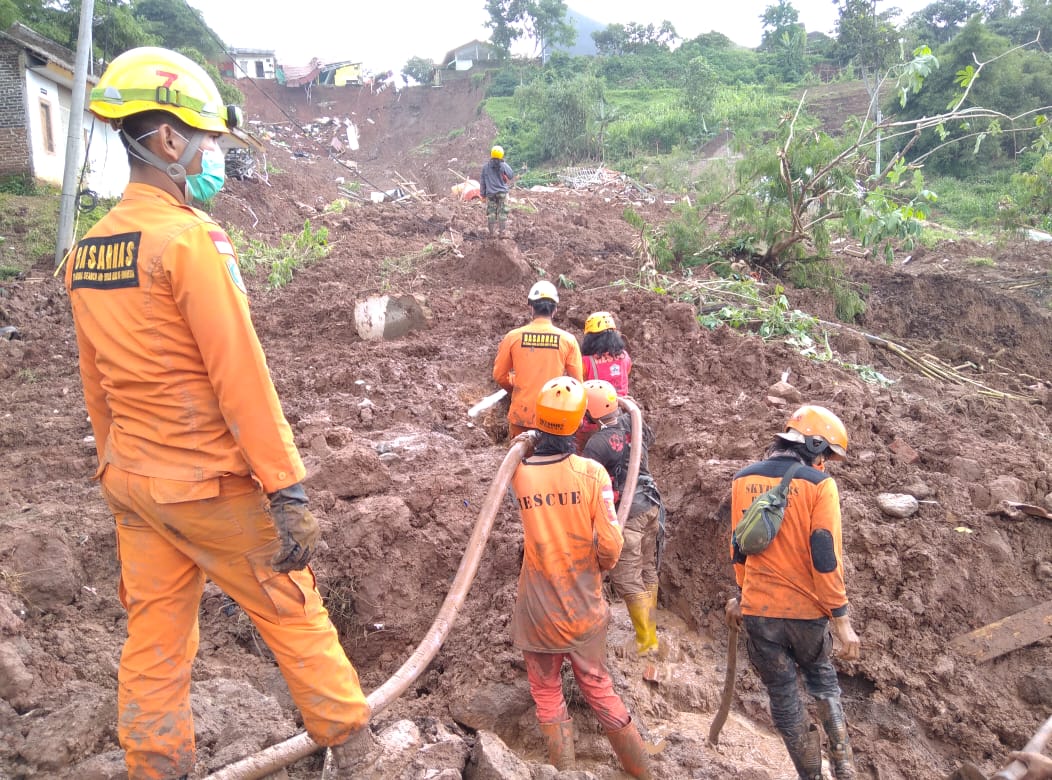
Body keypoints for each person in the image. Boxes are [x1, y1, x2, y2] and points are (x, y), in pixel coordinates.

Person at [64, 47, 373, 779]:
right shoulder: (189, 242)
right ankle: (356, 751)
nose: (213, 159)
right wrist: (285, 488)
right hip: (209, 486)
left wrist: (116, 470)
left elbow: (95, 384)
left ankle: (156, 766)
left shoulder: (88, 251)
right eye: (206, 142)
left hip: (136, 484)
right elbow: (241, 376)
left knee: (156, 642)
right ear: (168, 140)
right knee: (294, 614)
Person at [510, 377, 653, 778]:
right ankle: (641, 770)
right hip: (583, 604)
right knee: (597, 683)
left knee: (545, 688)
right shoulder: (592, 474)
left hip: (536, 606)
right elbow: (610, 542)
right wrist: (601, 568)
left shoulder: (519, 473)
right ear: (578, 424)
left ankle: (564, 771)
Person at [725, 405, 861, 780]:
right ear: (814, 446)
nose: (825, 463)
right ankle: (845, 766)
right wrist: (842, 620)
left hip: (760, 613)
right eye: (825, 455)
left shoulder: (742, 479)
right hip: (807, 615)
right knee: (821, 679)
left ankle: (811, 776)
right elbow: (825, 556)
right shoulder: (820, 486)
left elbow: (739, 547)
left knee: (783, 695)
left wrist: (741, 594)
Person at [580, 380, 663, 657]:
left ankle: (646, 641)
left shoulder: (597, 444)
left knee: (627, 577)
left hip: (629, 514)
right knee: (648, 568)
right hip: (651, 505)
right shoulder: (633, 420)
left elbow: (587, 483)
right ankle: (651, 631)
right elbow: (646, 441)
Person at [492, 280, 583, 439]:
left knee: (520, 461)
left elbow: (500, 375)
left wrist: (516, 386)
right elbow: (577, 384)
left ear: (531, 308)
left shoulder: (513, 337)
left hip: (522, 415)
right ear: (554, 310)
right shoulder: (568, 340)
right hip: (555, 417)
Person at [577, 311, 633, 450]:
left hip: (593, 422)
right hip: (619, 417)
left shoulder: (585, 362)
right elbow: (626, 373)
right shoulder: (625, 357)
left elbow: (578, 386)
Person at [479, 144, 515, 237]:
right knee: (502, 212)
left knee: (491, 213)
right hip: (502, 193)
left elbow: (482, 182)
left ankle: (491, 234)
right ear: (502, 155)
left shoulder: (485, 167)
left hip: (490, 194)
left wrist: (482, 195)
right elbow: (511, 175)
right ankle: (502, 233)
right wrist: (504, 163)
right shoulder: (503, 165)